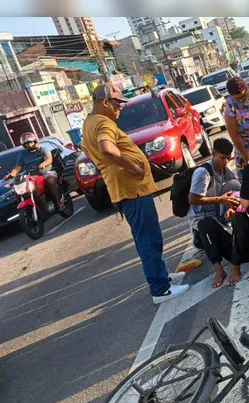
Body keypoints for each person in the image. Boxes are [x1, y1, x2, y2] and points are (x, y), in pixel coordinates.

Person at [81, 83, 190, 304]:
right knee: (148, 239)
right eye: (117, 104)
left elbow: (86, 148)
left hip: (124, 189)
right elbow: (106, 148)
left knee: (149, 237)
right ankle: (160, 289)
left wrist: (106, 166)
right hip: (132, 190)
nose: (120, 108)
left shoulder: (89, 122)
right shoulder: (103, 123)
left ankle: (162, 276)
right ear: (104, 103)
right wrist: (133, 166)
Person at [191, 138, 249, 288]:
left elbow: (241, 195)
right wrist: (221, 201)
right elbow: (192, 198)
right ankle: (218, 269)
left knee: (240, 219)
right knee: (205, 224)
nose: (226, 161)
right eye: (222, 158)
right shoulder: (203, 173)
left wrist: (234, 206)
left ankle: (235, 265)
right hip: (216, 232)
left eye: (229, 158)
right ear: (213, 154)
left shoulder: (228, 175)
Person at [5, 132, 65, 212]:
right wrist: (12, 173)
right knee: (22, 188)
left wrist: (43, 164)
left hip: (47, 172)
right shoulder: (23, 154)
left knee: (50, 181)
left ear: (35, 141)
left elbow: (49, 159)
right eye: (26, 144)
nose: (29, 145)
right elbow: (18, 166)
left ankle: (59, 201)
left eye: (30, 142)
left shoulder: (43, 149)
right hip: (32, 176)